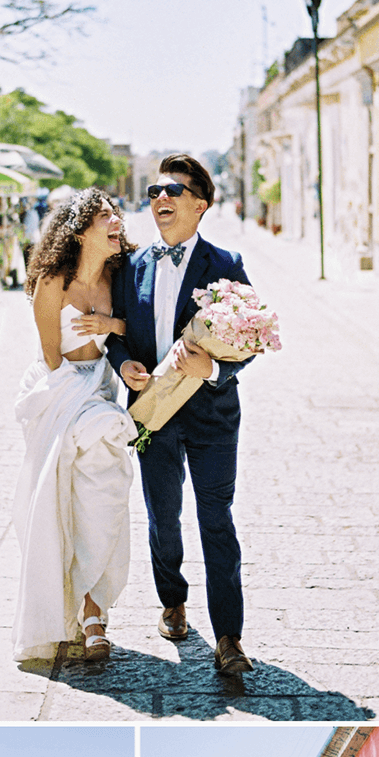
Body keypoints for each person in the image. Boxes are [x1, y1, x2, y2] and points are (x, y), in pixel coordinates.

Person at [106, 153, 255, 677]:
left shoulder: (226, 264)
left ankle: (229, 638)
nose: (161, 198)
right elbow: (116, 333)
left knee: (217, 522)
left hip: (214, 417)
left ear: (200, 205)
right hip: (154, 416)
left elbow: (249, 339)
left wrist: (213, 366)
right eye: (154, 191)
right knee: (163, 518)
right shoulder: (131, 266)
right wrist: (124, 365)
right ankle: (172, 599)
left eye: (173, 190)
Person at [11, 190, 138, 663]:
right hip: (63, 388)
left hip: (101, 388)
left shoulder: (118, 275)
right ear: (81, 229)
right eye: (105, 215)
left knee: (102, 500)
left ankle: (94, 604)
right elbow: (50, 356)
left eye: (116, 214)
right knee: (56, 503)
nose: (116, 221)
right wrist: (68, 407)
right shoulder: (52, 281)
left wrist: (110, 323)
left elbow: (130, 327)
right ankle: (80, 611)